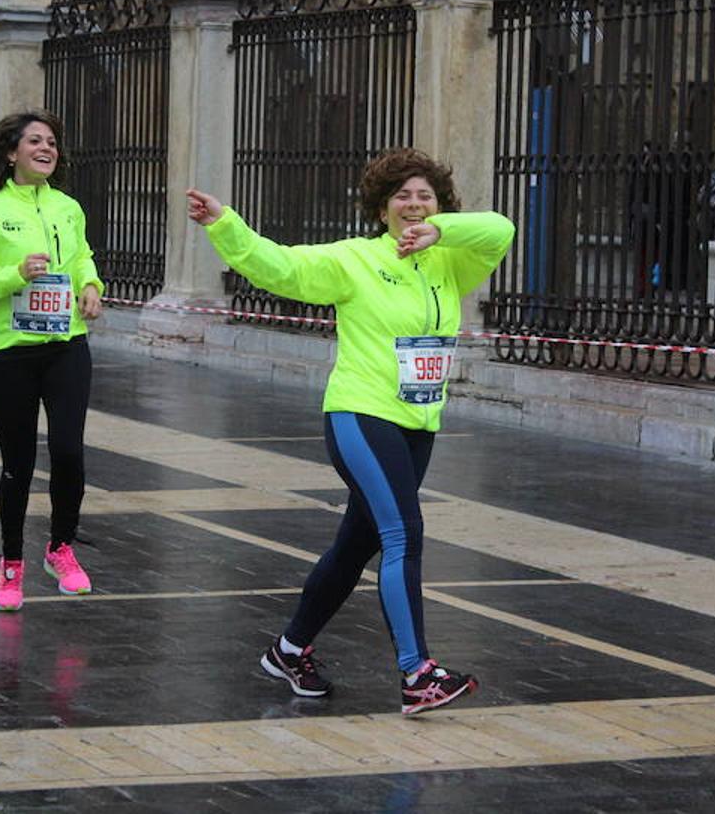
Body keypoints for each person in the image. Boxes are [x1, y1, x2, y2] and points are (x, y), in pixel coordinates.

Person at [186, 148, 515, 716]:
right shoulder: (354, 260)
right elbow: (279, 267)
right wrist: (225, 224)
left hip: (418, 421)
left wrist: (440, 231)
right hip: (362, 415)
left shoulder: (452, 262)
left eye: (425, 196)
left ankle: (288, 650)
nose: (414, 205)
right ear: (382, 208)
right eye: (402, 197)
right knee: (403, 534)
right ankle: (417, 674)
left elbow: (501, 228)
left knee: (356, 544)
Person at [0, 111, 104, 612]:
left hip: (66, 346)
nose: (46, 148)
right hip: (9, 353)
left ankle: (61, 548)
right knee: (18, 463)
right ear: (11, 152)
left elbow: (82, 256)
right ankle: (11, 563)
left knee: (68, 451)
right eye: (34, 141)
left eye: (52, 142)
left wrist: (90, 285)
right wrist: (13, 275)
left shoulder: (68, 207)